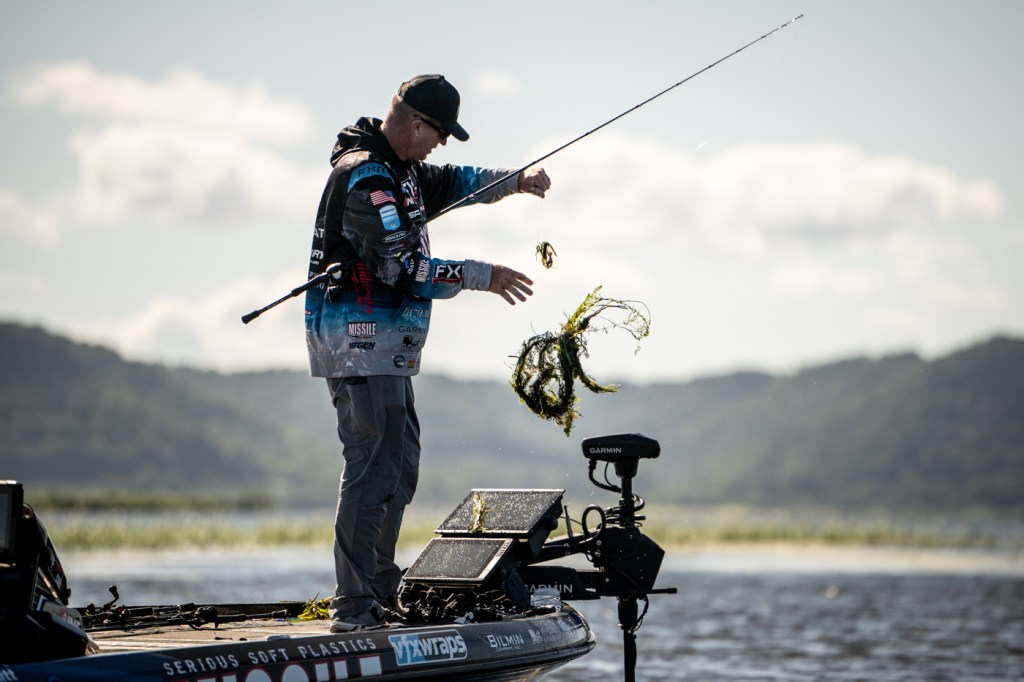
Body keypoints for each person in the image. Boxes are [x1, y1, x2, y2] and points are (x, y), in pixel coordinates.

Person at [303, 74, 552, 632]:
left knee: (401, 464)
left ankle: (378, 591)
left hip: (387, 348)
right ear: (417, 125)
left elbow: (459, 181)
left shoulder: (406, 170)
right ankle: (354, 607)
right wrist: (481, 275)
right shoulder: (368, 179)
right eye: (440, 134)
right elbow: (402, 269)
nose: (441, 145)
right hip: (357, 342)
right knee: (373, 464)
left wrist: (517, 181)